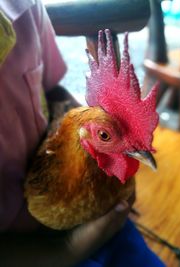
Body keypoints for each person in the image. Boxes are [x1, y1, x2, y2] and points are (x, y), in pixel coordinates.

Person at [0, 0, 135, 266]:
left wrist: (109, 146)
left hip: (83, 214)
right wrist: (67, 252)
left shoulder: (24, 6)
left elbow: (53, 90)